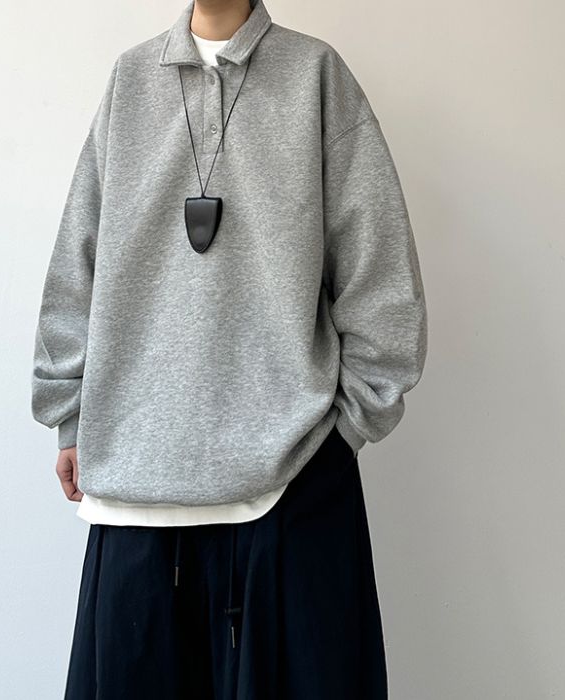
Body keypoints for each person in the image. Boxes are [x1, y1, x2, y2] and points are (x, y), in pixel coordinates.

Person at [30, 0, 428, 697]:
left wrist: (343, 435)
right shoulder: (131, 80)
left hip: (289, 490)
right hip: (134, 498)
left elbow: (380, 272)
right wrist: (70, 413)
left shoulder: (315, 76)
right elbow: (78, 258)